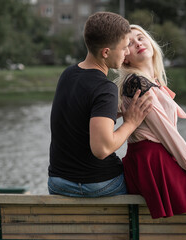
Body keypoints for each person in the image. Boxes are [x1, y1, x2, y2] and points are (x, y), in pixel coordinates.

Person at [115, 24, 186, 219]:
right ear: (124, 57)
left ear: (150, 42)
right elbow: (171, 137)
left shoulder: (149, 82)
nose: (137, 44)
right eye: (130, 43)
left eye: (140, 38)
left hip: (155, 159)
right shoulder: (137, 84)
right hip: (153, 161)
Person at [48, 12, 152, 197]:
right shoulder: (105, 88)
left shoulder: (67, 75)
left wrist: (114, 112)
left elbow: (80, 115)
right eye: (124, 47)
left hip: (58, 183)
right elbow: (102, 149)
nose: (127, 52)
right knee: (148, 186)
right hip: (100, 184)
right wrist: (130, 123)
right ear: (106, 52)